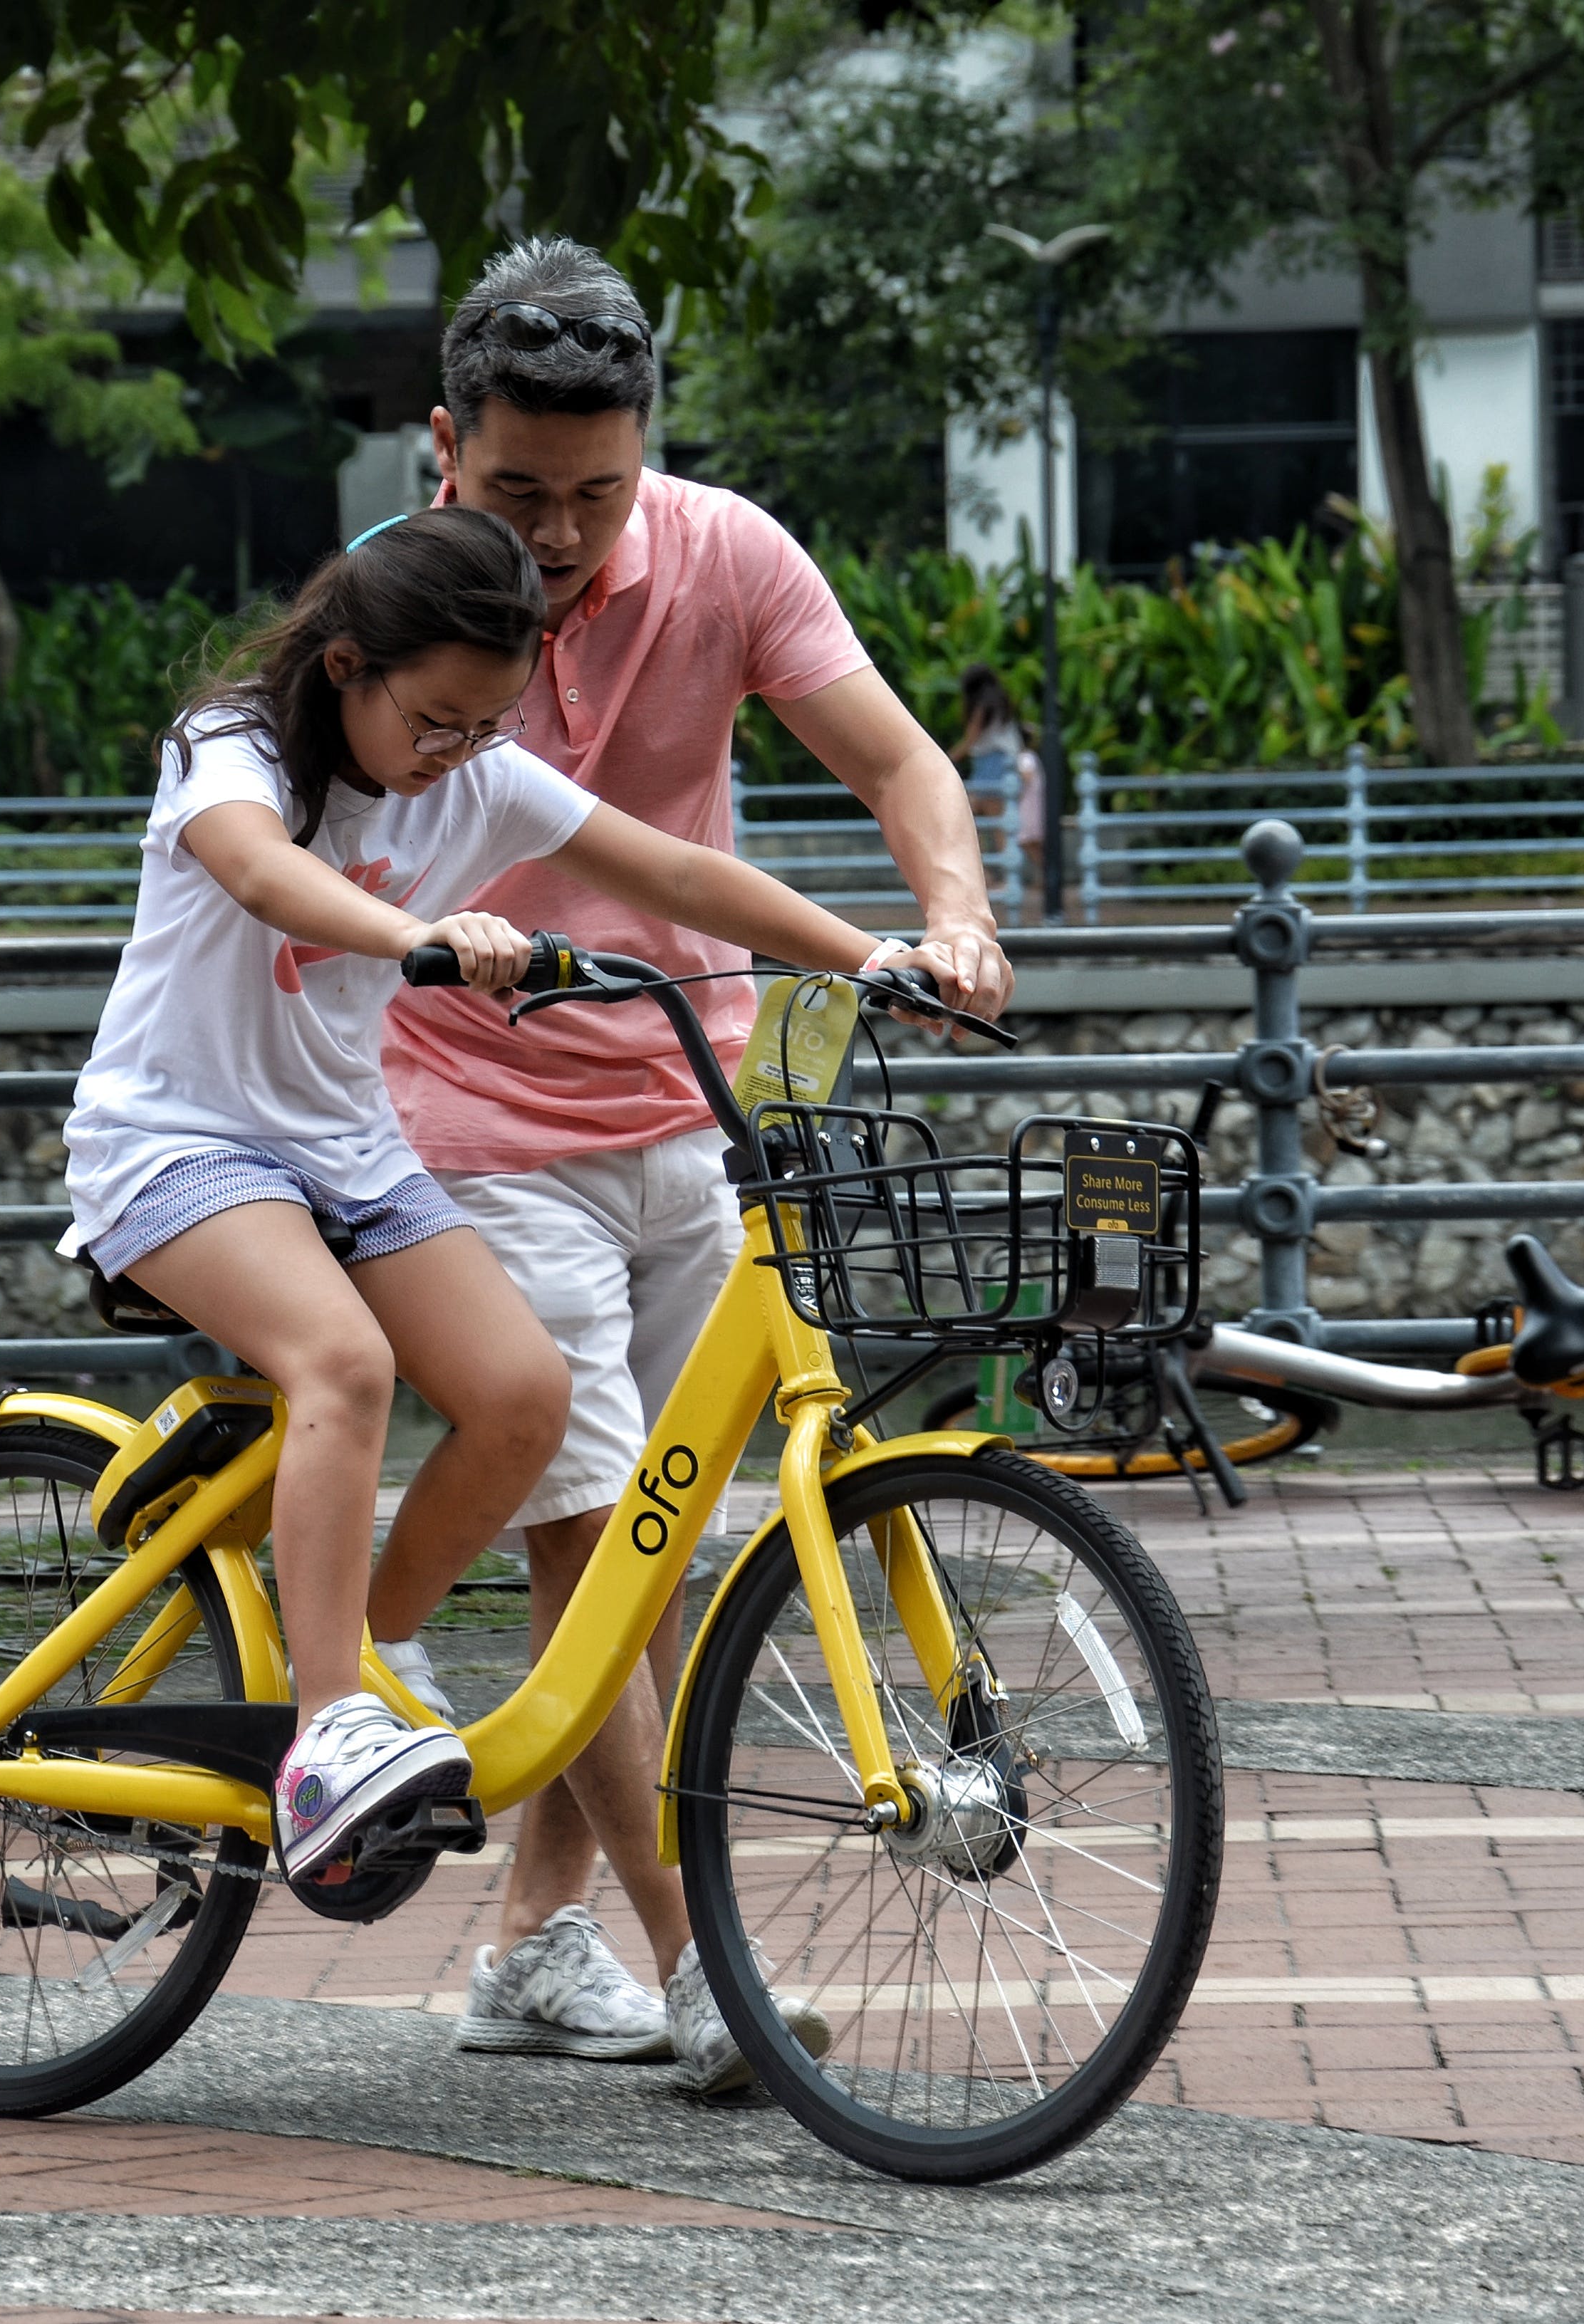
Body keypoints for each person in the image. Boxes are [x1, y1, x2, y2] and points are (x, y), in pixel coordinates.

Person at [363, 238, 1011, 2093]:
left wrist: (947, 918)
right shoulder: (400, 602)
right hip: (469, 1121)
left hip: (688, 1107)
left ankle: (529, 1947)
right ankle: (696, 1952)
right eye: (516, 493)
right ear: (442, 449)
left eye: (596, 493)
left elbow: (896, 758)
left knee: (643, 1563)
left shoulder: (728, 555)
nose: (558, 535)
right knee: (593, 1533)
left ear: (648, 455)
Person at [57, 504, 906, 1907]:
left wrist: (876, 951)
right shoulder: (231, 744)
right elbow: (263, 870)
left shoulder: (478, 777)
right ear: (346, 667)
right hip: (177, 1139)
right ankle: (328, 1729)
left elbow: (682, 874)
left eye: (486, 722)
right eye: (435, 719)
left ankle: (363, 1649)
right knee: (345, 1360)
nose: (456, 751)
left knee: (526, 1396)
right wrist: (418, 934)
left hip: (342, 1143)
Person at [952, 663, 1043, 920]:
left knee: (992, 825)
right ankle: (993, 877)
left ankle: (1003, 878)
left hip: (993, 765)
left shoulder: (982, 707)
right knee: (977, 819)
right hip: (995, 765)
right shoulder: (999, 703)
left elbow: (971, 740)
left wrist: (946, 759)